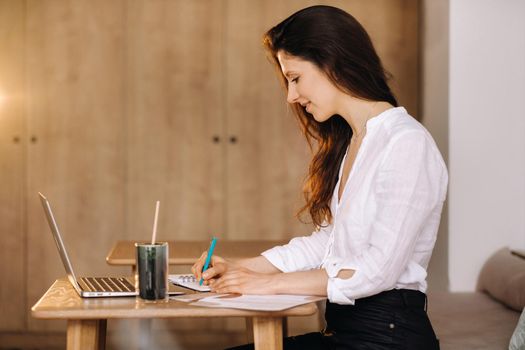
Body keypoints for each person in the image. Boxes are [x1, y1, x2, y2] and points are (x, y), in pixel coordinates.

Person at [192, 5, 447, 350]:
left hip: (389, 338)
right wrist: (243, 268)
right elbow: (327, 244)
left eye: (295, 78)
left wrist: (264, 285)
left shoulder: (406, 143)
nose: (291, 96)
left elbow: (377, 270)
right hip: (349, 333)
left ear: (331, 62)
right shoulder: (354, 142)